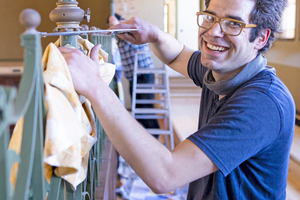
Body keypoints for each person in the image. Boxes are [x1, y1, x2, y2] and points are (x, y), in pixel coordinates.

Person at [59, 0, 295, 199]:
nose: (213, 32)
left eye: (234, 23)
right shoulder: (222, 70)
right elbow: (179, 56)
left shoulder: (262, 103)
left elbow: (166, 175)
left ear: (261, 38)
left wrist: (94, 86)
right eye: (210, 17)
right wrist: (153, 34)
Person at [108, 14, 160, 137]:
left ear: (121, 21)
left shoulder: (129, 30)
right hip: (133, 76)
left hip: (143, 73)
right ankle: (146, 136)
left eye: (113, 22)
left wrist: (117, 24)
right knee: (137, 108)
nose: (112, 26)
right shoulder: (119, 37)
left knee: (145, 106)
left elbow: (125, 34)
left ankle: (154, 136)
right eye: (110, 24)